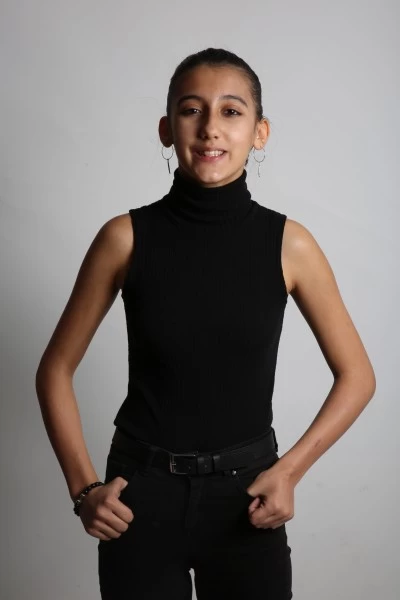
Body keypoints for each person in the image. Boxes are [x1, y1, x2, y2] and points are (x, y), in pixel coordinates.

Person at [35, 47, 376, 600]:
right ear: (167, 128)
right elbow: (55, 369)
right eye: (192, 110)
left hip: (248, 498)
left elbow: (358, 376)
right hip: (139, 497)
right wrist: (83, 489)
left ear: (260, 132)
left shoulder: (289, 245)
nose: (210, 127)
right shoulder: (124, 238)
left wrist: (289, 472)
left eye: (231, 111)